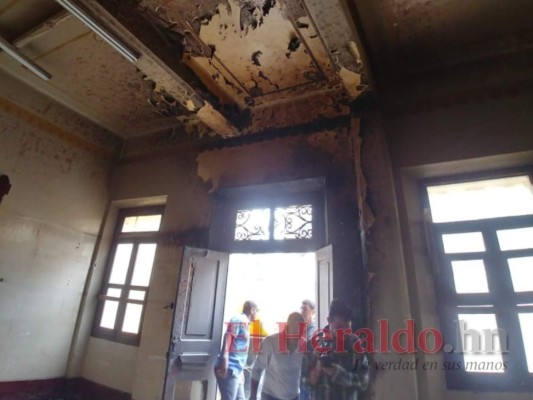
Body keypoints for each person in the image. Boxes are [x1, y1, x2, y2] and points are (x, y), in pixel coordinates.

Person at [301, 299, 369, 400]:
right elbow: (302, 382)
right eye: (339, 327)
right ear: (329, 320)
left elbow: (363, 382)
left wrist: (338, 373)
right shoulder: (313, 345)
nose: (344, 332)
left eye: (347, 328)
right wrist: (316, 371)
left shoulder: (355, 344)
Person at [250, 312, 307, 400]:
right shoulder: (270, 343)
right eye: (295, 329)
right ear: (287, 327)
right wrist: (253, 396)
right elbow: (256, 370)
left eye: (301, 329)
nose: (298, 333)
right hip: (270, 396)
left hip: (294, 396)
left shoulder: (303, 345)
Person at [215, 300, 259, 400]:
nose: (257, 314)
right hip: (230, 368)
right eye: (257, 311)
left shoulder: (246, 323)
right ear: (252, 310)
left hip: (236, 370)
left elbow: (238, 347)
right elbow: (228, 336)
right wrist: (224, 359)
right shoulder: (239, 319)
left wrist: (241, 371)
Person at [299, 300, 317, 400]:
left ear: (313, 312)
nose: (302, 311)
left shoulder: (314, 331)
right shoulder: (300, 330)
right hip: (300, 378)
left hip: (309, 379)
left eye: (305, 309)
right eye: (301, 308)